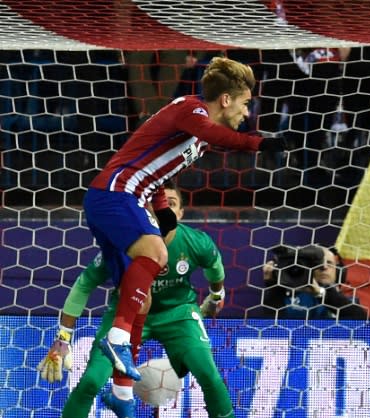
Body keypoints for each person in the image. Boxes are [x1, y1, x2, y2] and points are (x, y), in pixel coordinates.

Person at [31, 182, 257, 418]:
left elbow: (215, 268)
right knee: (90, 382)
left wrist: (216, 296)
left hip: (178, 312)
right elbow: (84, 284)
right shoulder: (128, 244)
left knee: (210, 376)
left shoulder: (195, 242)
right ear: (146, 211)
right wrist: (63, 337)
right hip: (128, 312)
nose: (164, 209)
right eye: (156, 205)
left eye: (172, 203)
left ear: (180, 211)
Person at [82, 56, 282, 383]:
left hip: (123, 195)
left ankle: (121, 393)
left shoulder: (199, 138)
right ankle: (116, 339)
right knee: (157, 255)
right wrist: (258, 143)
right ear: (226, 99)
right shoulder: (193, 111)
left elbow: (161, 172)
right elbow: (215, 136)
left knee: (141, 300)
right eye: (245, 104)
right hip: (119, 191)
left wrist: (163, 212)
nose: (247, 113)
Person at [262, 245, 368, 320]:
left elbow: (360, 321)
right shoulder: (290, 300)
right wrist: (274, 287)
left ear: (340, 271)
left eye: (329, 263)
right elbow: (271, 324)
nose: (324, 267)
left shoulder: (347, 302)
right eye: (318, 263)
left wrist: (321, 293)